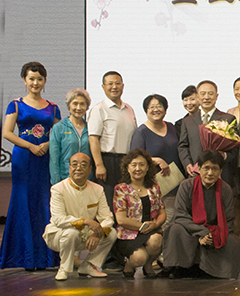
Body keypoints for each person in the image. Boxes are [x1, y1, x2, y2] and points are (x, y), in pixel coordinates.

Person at [1, 62, 61, 270]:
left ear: (45, 81)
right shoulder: (16, 105)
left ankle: (45, 258)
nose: (35, 83)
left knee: (43, 201)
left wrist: (47, 145)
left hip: (45, 158)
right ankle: (23, 257)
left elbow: (57, 134)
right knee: (23, 201)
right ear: (24, 80)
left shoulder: (53, 107)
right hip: (24, 159)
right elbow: (7, 133)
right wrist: (30, 146)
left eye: (39, 79)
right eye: (31, 79)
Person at [163, 150, 240, 279]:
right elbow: (180, 215)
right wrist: (201, 232)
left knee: (234, 242)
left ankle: (211, 271)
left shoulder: (226, 189)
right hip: (190, 229)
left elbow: (228, 219)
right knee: (175, 229)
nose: (210, 173)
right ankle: (179, 268)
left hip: (214, 231)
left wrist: (211, 235)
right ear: (199, 169)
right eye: (206, 168)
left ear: (220, 171)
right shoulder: (186, 185)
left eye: (215, 169)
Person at [44, 153, 116, 281]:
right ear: (69, 168)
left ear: (90, 169)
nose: (78, 168)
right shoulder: (58, 189)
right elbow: (58, 220)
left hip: (86, 235)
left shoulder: (98, 189)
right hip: (59, 233)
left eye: (83, 165)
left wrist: (97, 234)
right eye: (74, 164)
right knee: (71, 233)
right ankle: (64, 268)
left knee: (111, 233)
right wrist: (86, 221)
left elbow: (107, 217)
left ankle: (88, 265)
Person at [112, 148, 166, 278]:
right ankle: (130, 264)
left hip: (151, 231)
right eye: (134, 165)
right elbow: (121, 219)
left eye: (142, 165)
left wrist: (155, 224)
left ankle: (148, 264)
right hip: (129, 233)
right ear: (127, 168)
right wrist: (143, 227)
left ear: (147, 168)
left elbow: (162, 211)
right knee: (139, 259)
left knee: (157, 241)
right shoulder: (121, 189)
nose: (138, 168)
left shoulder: (154, 187)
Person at [87, 70, 137, 208]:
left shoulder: (129, 109)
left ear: (123, 86)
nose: (114, 87)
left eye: (117, 83)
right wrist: (99, 165)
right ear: (103, 87)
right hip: (108, 161)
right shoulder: (99, 109)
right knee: (109, 202)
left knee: (126, 202)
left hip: (127, 161)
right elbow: (93, 139)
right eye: (110, 84)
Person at [130, 94, 181, 228]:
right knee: (165, 220)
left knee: (176, 220)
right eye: (151, 107)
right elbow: (135, 158)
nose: (156, 109)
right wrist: (155, 160)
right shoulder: (141, 132)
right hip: (156, 185)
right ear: (146, 110)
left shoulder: (172, 127)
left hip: (176, 182)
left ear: (165, 109)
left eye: (159, 106)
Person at [179, 80, 238, 187]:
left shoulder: (228, 119)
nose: (206, 97)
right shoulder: (187, 121)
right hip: (195, 174)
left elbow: (235, 149)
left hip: (221, 175)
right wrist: (187, 163)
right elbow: (183, 146)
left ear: (216, 96)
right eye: (203, 94)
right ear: (197, 97)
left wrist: (224, 155)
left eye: (210, 94)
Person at [50, 88, 92, 185]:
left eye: (82, 104)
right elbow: (54, 158)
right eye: (75, 104)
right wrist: (56, 183)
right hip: (65, 178)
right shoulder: (59, 128)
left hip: (87, 179)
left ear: (87, 107)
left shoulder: (90, 128)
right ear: (69, 105)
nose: (78, 108)